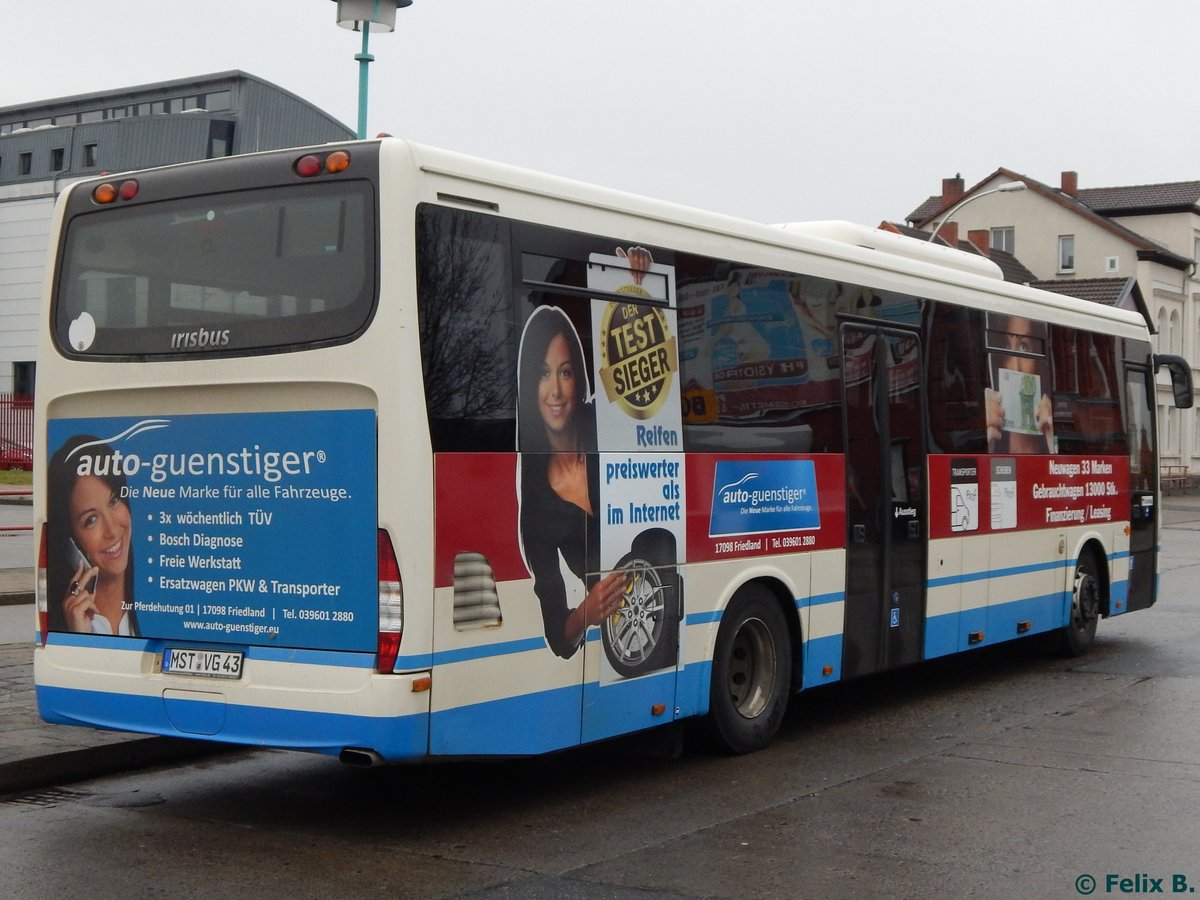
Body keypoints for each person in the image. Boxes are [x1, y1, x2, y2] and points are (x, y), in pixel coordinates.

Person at [517, 306, 626, 659]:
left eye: (565, 372)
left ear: (578, 377)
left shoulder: (606, 424)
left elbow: (648, 393)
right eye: (543, 374)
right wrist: (586, 613)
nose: (555, 391)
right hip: (629, 635)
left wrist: (638, 279)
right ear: (528, 386)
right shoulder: (536, 506)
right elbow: (557, 637)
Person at [47, 435, 139, 636]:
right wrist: (78, 636)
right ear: (71, 542)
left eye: (114, 501)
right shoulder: (72, 629)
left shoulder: (155, 612)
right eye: (91, 520)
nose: (112, 530)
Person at [985, 315, 1054, 454]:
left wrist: (1054, 443)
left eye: (1024, 347)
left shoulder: (1052, 429)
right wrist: (984, 443)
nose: (1016, 368)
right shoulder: (990, 431)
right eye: (1005, 347)